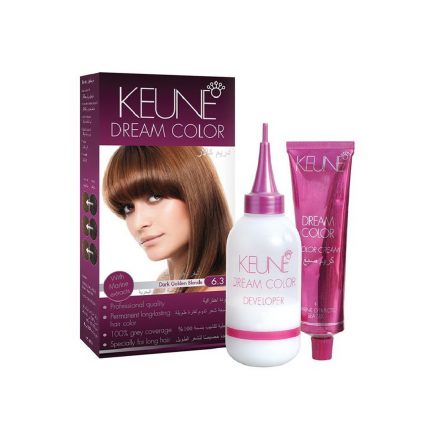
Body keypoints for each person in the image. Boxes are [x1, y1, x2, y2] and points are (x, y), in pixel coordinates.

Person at [103, 145, 232, 293]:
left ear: (196, 193)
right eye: (128, 207)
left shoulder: (219, 291)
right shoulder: (163, 284)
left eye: (155, 197)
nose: (138, 224)